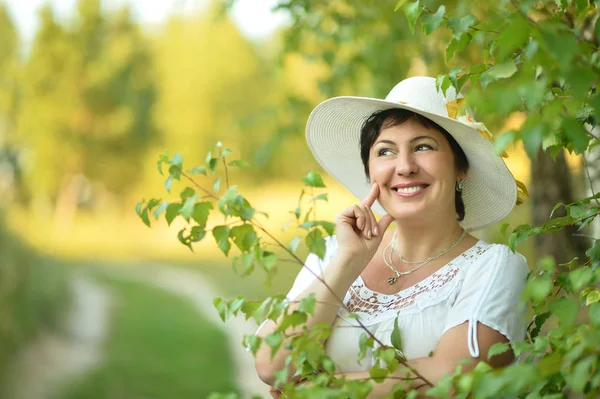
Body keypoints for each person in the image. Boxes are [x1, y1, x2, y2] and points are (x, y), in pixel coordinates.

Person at [253, 76, 529, 397]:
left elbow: (453, 381)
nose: (405, 167)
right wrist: (348, 262)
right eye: (385, 152)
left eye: (423, 146)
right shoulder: (334, 252)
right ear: (371, 173)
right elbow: (273, 365)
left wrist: (316, 392)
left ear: (460, 168)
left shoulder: (495, 266)